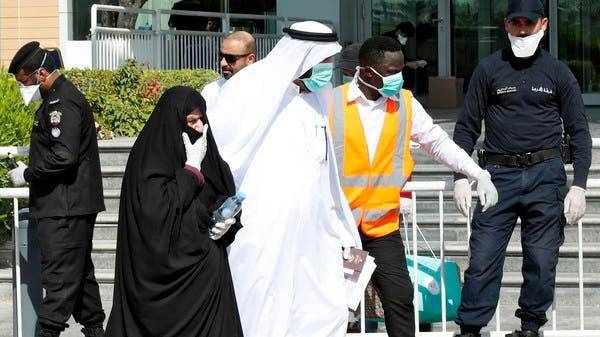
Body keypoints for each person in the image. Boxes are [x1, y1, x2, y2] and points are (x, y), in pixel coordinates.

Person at [330, 36, 499, 337]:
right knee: (336, 306)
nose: (399, 77)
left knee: (400, 298)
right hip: (340, 230)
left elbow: (437, 141)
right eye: (392, 72)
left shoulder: (405, 103)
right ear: (367, 72)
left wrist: (476, 172)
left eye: (401, 70)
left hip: (381, 228)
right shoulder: (331, 104)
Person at [208, 21, 362, 337]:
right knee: (260, 309)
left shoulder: (321, 95)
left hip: (315, 227)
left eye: (328, 62)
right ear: (301, 57)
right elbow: (222, 154)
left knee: (326, 309)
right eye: (321, 62)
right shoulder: (248, 88)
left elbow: (323, 162)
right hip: (264, 229)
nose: (326, 70)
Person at [452, 1, 592, 336]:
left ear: (543, 24)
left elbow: (580, 131)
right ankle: (471, 328)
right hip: (497, 177)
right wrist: (460, 175)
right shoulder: (488, 69)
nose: (522, 30)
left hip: (546, 176)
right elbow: (466, 127)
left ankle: (530, 327)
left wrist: (580, 185)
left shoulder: (558, 72)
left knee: (542, 260)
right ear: (506, 25)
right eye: (515, 24)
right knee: (483, 257)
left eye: (528, 24)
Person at [105, 86, 243, 337]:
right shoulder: (148, 161)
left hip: (207, 284)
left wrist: (228, 219)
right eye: (191, 121)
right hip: (162, 288)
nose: (200, 127)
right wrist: (191, 171)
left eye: (202, 119)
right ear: (175, 121)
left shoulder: (205, 151)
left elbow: (223, 190)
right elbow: (155, 214)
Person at [7, 41, 106, 337]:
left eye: (23, 81)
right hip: (67, 205)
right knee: (80, 276)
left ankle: (48, 333)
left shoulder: (61, 103)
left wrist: (27, 173)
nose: (23, 88)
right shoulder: (57, 98)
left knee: (60, 278)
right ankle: (96, 330)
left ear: (39, 74)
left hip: (65, 207)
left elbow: (64, 155)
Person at [201, 31, 256, 109]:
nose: (223, 63)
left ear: (250, 59)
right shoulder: (211, 91)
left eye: (230, 58)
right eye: (221, 57)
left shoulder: (265, 91)